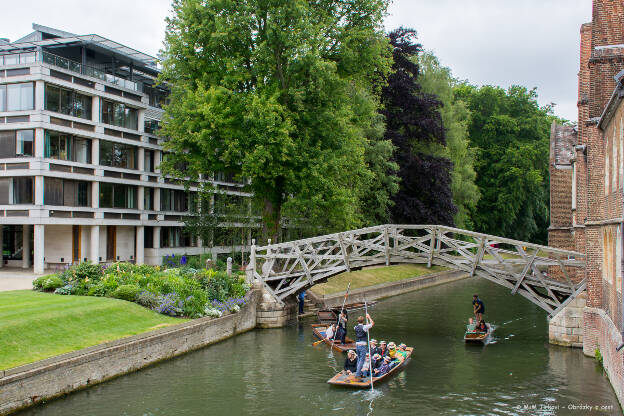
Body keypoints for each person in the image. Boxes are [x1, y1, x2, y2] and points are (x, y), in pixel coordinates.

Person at [353, 313, 375, 379]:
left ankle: (358, 372)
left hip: (357, 345)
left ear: (357, 321)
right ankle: (357, 374)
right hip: (362, 346)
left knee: (359, 359)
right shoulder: (364, 327)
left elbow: (366, 326)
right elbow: (372, 323)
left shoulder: (355, 327)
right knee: (362, 360)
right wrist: (369, 317)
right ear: (363, 321)